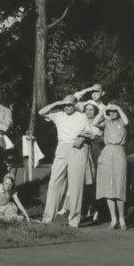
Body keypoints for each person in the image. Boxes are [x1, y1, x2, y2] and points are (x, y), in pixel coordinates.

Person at [39, 93, 96, 227]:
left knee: (76, 185)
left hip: (77, 149)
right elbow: (41, 112)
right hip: (61, 148)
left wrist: (80, 139)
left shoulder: (82, 117)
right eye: (64, 104)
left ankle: (74, 221)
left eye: (69, 104)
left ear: (75, 105)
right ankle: (48, 218)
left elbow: (90, 134)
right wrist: (57, 103)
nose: (66, 107)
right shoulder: (58, 114)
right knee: (54, 183)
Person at [93, 102, 130, 229]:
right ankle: (113, 219)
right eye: (111, 112)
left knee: (119, 185)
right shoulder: (106, 122)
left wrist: (118, 107)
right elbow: (94, 123)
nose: (113, 113)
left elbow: (126, 121)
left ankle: (122, 219)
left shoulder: (122, 122)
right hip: (107, 151)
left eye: (115, 111)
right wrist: (104, 109)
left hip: (119, 151)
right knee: (108, 187)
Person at [81, 102, 103, 220]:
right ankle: (88, 206)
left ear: (95, 111)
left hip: (96, 149)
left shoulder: (100, 121)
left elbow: (103, 137)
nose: (89, 112)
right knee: (86, 180)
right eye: (87, 109)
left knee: (96, 179)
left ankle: (97, 208)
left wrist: (95, 137)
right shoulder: (82, 120)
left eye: (91, 110)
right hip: (84, 148)